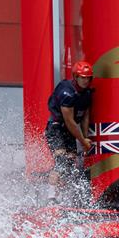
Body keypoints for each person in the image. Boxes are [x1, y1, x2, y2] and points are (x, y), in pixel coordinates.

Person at [44, 60, 94, 201]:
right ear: (76, 77)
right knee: (61, 161)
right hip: (56, 128)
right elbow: (70, 122)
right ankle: (50, 197)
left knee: (70, 166)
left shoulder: (87, 94)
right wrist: (83, 141)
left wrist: (86, 136)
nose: (85, 81)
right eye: (82, 77)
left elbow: (85, 116)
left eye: (88, 78)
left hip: (70, 133)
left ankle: (62, 198)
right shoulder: (66, 91)